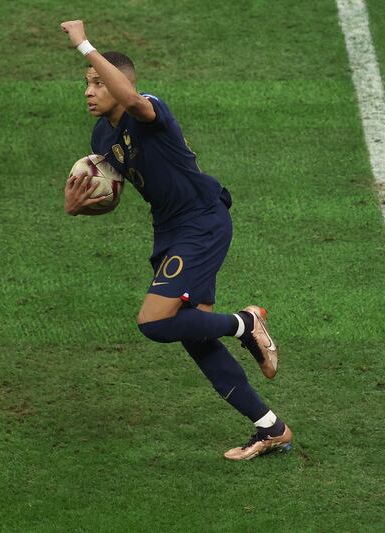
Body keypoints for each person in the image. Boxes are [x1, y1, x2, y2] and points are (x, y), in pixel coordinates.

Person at [60, 20, 292, 460]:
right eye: (85, 84)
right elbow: (113, 191)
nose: (89, 91)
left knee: (154, 322)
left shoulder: (148, 110)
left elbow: (129, 98)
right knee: (194, 336)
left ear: (120, 82)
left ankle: (244, 322)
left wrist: (84, 44)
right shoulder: (101, 135)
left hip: (201, 221)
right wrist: (80, 206)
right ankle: (270, 428)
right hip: (169, 230)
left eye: (97, 82)